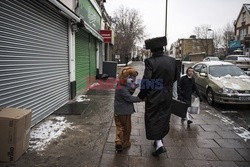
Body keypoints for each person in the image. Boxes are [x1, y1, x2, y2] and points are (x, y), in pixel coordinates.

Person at [138, 36, 178, 156]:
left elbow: (147, 80)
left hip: (154, 95)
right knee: (163, 117)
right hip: (167, 94)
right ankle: (158, 142)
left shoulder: (150, 61)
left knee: (153, 118)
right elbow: (176, 77)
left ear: (152, 50)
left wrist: (142, 94)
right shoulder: (172, 61)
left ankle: (159, 144)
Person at [114, 67, 141, 152]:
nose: (133, 80)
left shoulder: (120, 84)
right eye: (131, 78)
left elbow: (128, 93)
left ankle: (118, 142)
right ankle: (125, 143)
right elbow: (129, 98)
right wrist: (141, 98)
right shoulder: (122, 88)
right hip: (124, 112)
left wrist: (132, 88)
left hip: (117, 111)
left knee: (119, 127)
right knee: (127, 128)